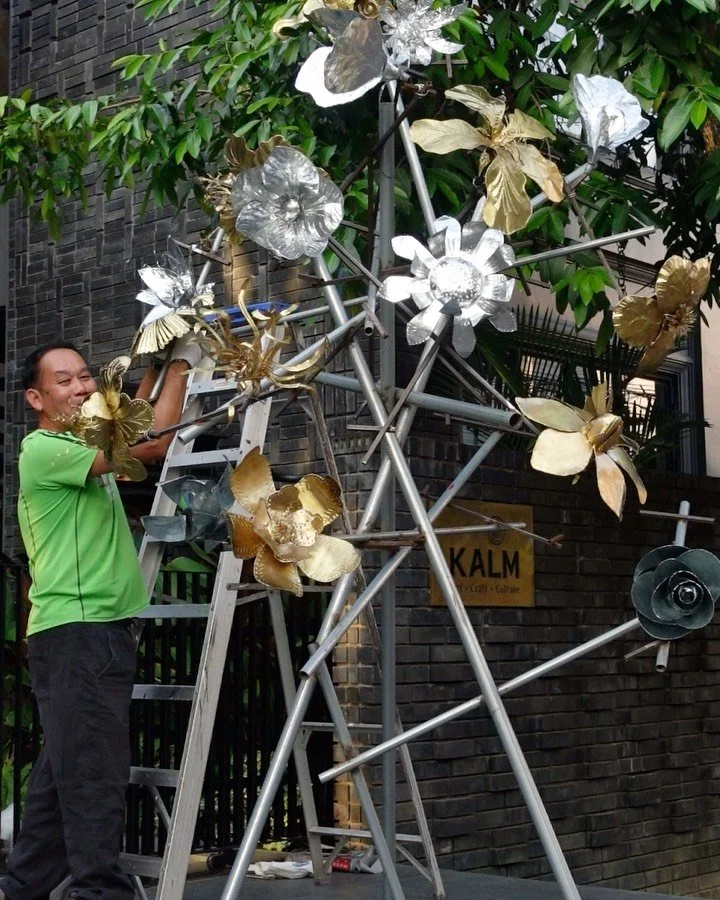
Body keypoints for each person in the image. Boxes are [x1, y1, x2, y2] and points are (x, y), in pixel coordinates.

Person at [0, 337, 201, 900]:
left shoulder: (83, 441)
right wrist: (186, 362)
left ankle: (24, 887)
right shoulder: (46, 449)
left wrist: (158, 363)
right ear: (35, 398)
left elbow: (127, 420)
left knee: (64, 769)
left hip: (91, 633)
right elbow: (150, 443)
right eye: (64, 381)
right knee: (93, 775)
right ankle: (100, 892)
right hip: (79, 632)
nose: (82, 387)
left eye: (85, 377)